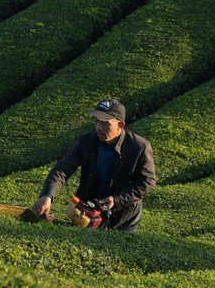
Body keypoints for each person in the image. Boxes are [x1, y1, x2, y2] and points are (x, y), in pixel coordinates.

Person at [32, 98, 156, 231]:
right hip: (88, 214)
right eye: (96, 121)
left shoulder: (139, 147)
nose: (99, 128)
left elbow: (148, 182)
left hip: (123, 219)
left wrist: (117, 199)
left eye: (105, 124)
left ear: (120, 125)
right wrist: (47, 195)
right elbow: (63, 169)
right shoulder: (87, 141)